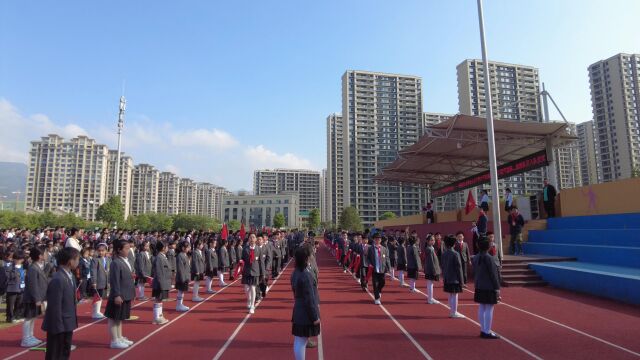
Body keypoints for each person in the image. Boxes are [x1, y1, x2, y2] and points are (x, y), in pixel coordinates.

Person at [42, 247, 80, 359]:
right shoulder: (58, 279)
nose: (78, 262)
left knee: (64, 350)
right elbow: (55, 306)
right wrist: (58, 326)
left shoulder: (70, 276)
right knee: (55, 353)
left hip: (67, 322)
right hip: (59, 324)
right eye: (77, 259)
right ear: (70, 261)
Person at [105, 239, 136, 349]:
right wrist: (117, 295)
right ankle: (114, 340)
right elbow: (115, 280)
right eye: (126, 248)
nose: (129, 250)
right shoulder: (116, 262)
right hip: (119, 295)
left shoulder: (125, 260)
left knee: (120, 318)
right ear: (119, 250)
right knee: (114, 317)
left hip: (126, 293)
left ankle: (119, 336)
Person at [290, 247, 321, 360]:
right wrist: (314, 317)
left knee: (300, 339)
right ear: (306, 258)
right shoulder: (305, 275)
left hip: (299, 309)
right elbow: (309, 298)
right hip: (305, 312)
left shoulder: (296, 272)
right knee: (301, 341)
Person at [473, 239, 501, 339]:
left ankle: (482, 329)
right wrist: (497, 288)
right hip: (489, 286)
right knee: (489, 308)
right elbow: (493, 275)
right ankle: (487, 331)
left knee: (482, 306)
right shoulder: (489, 258)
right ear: (488, 246)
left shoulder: (476, 257)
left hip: (479, 285)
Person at [21, 247, 48, 347]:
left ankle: (30, 336)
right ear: (39, 256)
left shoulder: (38, 266)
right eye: (44, 253)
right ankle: (25, 338)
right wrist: (37, 299)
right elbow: (33, 285)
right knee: (28, 318)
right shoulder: (33, 268)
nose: (46, 255)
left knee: (33, 318)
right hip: (31, 298)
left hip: (37, 297)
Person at [441, 235, 465, 318]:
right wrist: (461, 281)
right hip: (454, 278)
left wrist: (444, 276)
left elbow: (443, 266)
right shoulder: (455, 254)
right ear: (454, 243)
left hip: (447, 277)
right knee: (455, 295)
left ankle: (452, 310)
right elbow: (459, 268)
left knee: (450, 294)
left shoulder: (444, 253)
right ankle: (454, 312)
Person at [367, 233, 391, 305]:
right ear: (374, 240)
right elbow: (368, 258)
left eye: (379, 239)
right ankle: (377, 298)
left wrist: (389, 268)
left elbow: (387, 259)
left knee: (382, 282)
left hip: (382, 269)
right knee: (375, 284)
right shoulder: (370, 248)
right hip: (374, 269)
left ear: (380, 240)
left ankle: (379, 291)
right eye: (376, 239)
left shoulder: (384, 249)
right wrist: (369, 264)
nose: (377, 240)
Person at [151, 241, 171, 325]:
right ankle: (156, 317)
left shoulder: (162, 256)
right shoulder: (159, 257)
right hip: (160, 282)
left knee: (160, 300)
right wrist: (161, 284)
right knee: (158, 299)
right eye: (166, 247)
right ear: (163, 248)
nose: (168, 248)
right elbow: (159, 272)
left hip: (163, 282)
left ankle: (159, 315)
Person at [242, 233, 261, 314]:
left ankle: (252, 306)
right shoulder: (245, 249)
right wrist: (241, 261)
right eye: (250, 237)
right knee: (246, 289)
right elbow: (242, 259)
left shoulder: (259, 249)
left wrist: (263, 273)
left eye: (253, 237)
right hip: (246, 271)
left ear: (256, 239)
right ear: (249, 239)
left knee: (253, 288)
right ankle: (249, 299)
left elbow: (261, 262)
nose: (252, 239)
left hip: (255, 271)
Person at [90, 243, 110, 319]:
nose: (101, 252)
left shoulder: (108, 259)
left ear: (106, 251)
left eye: (103, 251)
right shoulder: (95, 260)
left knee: (101, 296)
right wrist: (94, 281)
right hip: (98, 281)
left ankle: (98, 311)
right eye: (99, 251)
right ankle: (95, 312)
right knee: (97, 296)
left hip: (105, 281)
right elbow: (93, 271)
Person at [5, 250, 25, 324]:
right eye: (17, 259)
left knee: (19, 303)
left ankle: (16, 316)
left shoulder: (22, 266)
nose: (19, 261)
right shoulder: (9, 266)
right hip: (12, 288)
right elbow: (8, 276)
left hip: (21, 287)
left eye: (21, 259)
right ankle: (10, 317)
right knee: (10, 304)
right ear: (14, 259)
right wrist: (15, 270)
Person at [423, 234, 441, 304]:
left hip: (430, 269)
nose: (433, 241)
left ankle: (431, 298)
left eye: (433, 240)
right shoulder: (429, 249)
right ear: (428, 241)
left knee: (430, 284)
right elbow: (431, 261)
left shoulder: (431, 248)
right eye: (431, 240)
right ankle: (430, 299)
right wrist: (434, 270)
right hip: (430, 269)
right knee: (430, 284)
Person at [175, 241, 191, 312]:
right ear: (183, 248)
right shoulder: (180, 256)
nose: (189, 248)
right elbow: (180, 268)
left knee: (182, 291)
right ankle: (178, 305)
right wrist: (183, 278)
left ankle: (180, 304)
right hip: (182, 277)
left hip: (185, 276)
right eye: (187, 247)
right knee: (180, 291)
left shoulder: (184, 255)